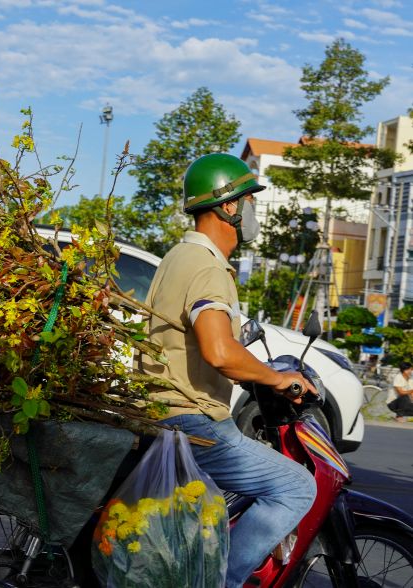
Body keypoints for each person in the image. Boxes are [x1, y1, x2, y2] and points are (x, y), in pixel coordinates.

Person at [139, 153, 318, 588]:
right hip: (190, 421)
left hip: (162, 414)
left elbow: (199, 347)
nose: (253, 213)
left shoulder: (179, 256)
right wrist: (281, 378)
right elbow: (219, 351)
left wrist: (253, 371)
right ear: (229, 206)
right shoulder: (207, 267)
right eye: (250, 201)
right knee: (296, 486)